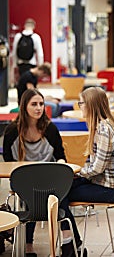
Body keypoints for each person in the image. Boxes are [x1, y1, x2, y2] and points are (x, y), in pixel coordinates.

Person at [58, 87, 114, 257]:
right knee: (59, 189)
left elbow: (97, 168)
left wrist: (78, 173)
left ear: (90, 105)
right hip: (102, 183)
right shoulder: (101, 126)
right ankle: (72, 245)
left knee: (59, 193)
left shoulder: (103, 130)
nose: (79, 106)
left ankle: (71, 245)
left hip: (111, 189)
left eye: (81, 103)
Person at [3, 89, 66, 257]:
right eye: (34, 104)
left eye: (41, 104)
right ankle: (29, 245)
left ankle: (67, 243)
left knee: (62, 192)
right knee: (33, 196)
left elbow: (60, 156)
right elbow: (8, 163)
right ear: (24, 107)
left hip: (48, 179)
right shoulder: (12, 131)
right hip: (23, 180)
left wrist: (61, 166)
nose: (39, 108)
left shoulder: (50, 129)